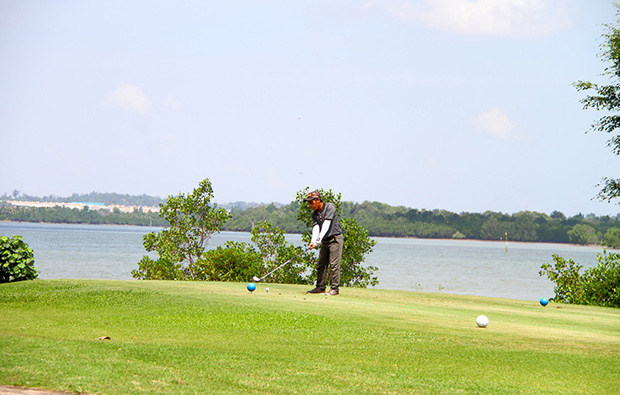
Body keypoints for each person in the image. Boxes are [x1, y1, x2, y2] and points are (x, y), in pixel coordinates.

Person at [304, 191, 343, 295]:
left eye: (312, 203)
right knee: (321, 264)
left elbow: (326, 224)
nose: (311, 206)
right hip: (325, 240)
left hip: (335, 239)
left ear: (318, 200)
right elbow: (316, 228)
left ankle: (335, 289)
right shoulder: (314, 214)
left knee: (334, 264)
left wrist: (318, 240)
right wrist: (313, 241)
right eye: (309, 204)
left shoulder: (330, 207)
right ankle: (320, 287)